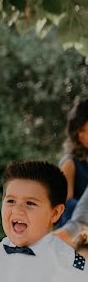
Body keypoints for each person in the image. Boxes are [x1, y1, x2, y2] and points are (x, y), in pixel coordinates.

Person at [58, 97, 88, 227]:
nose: (82, 135)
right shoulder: (69, 163)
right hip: (75, 236)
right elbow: (64, 208)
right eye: (80, 131)